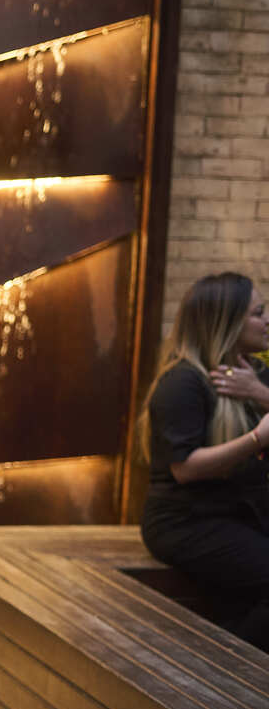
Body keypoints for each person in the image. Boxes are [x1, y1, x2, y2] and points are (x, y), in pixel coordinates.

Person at [140, 272, 269, 650]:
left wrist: (261, 393)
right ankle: (225, 666)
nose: (266, 321)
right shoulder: (182, 383)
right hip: (186, 520)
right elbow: (186, 468)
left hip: (240, 511)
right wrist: (256, 439)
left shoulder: (255, 374)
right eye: (258, 313)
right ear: (226, 320)